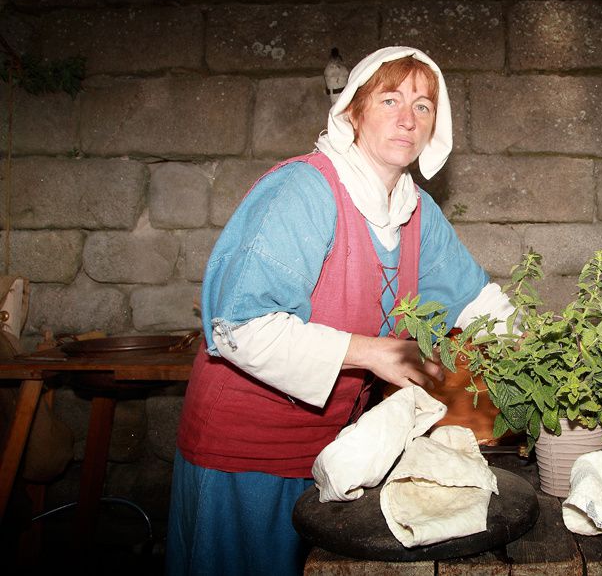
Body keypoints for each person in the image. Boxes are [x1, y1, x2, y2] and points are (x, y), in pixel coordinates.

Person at [166, 46, 515, 576]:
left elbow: (479, 302)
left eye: (423, 107)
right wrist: (374, 352)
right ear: (352, 110)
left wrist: (554, 351)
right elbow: (237, 326)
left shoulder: (414, 211)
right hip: (247, 451)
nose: (408, 118)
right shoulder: (304, 190)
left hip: (335, 449)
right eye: (391, 99)